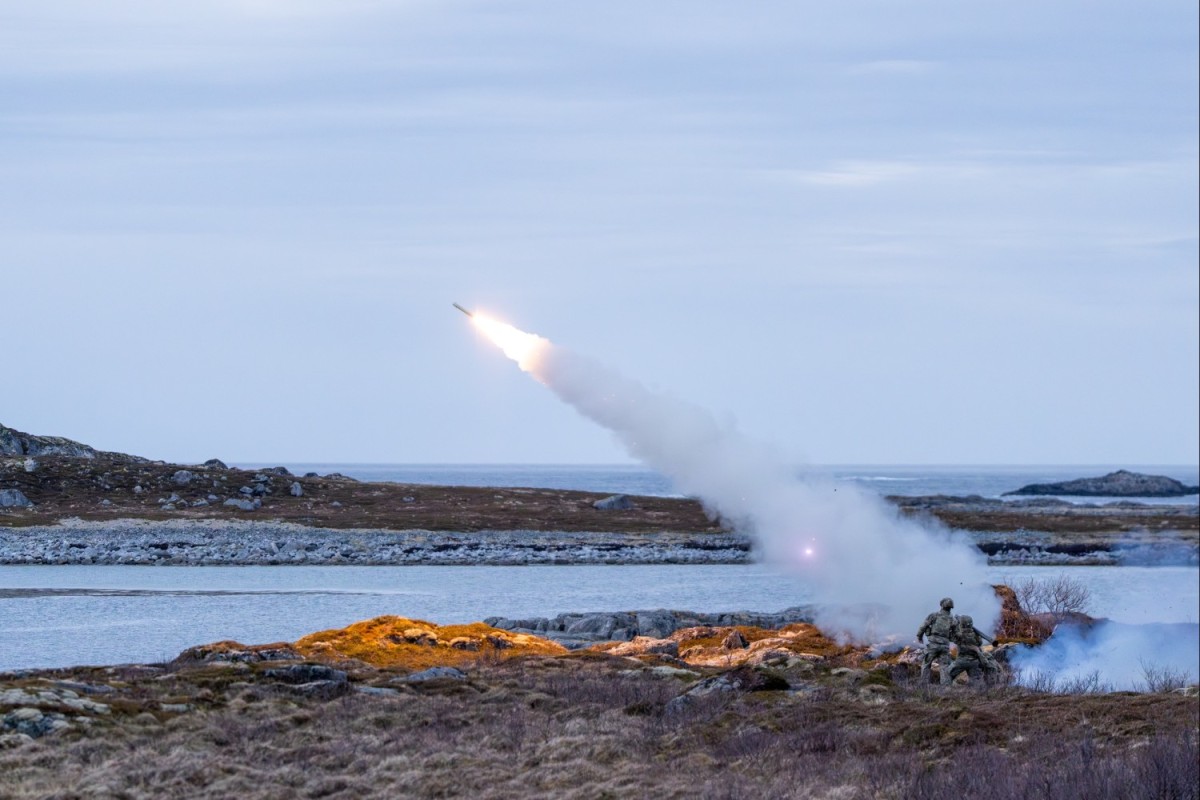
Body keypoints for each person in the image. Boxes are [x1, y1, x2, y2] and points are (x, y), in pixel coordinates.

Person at [947, 614, 1001, 684]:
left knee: (947, 674)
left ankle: (946, 691)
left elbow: (949, 636)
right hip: (975, 662)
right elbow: (980, 643)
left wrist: (953, 625)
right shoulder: (976, 635)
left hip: (961, 661)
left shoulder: (959, 635)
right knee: (976, 684)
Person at [916, 597, 956, 685]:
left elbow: (923, 626)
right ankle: (946, 687)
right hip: (945, 646)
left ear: (941, 605)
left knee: (926, 664)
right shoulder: (952, 619)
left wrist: (919, 636)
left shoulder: (934, 615)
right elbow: (955, 634)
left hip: (933, 645)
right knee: (945, 666)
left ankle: (924, 685)